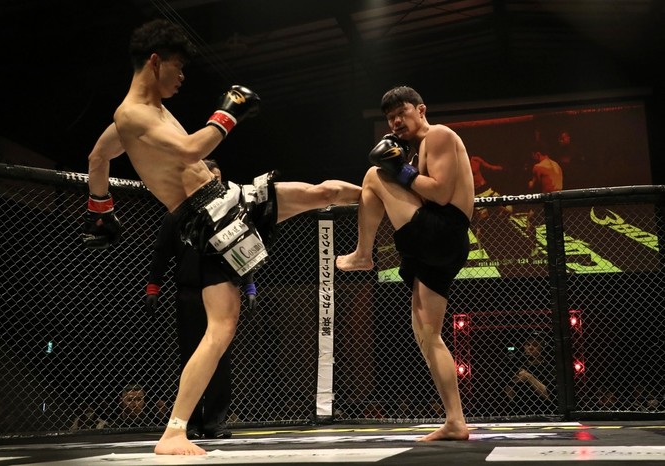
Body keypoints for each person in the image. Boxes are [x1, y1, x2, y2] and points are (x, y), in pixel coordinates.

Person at [81, 19, 361, 455]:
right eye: (178, 67)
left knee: (320, 193)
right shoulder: (132, 114)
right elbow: (192, 150)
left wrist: (101, 210)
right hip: (205, 222)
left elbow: (97, 158)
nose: (182, 76)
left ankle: (390, 197)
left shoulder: (145, 115)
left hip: (227, 199)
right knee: (221, 327)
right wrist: (228, 111)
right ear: (155, 62)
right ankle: (174, 432)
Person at [336, 86, 473, 441]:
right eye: (390, 117)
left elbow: (440, 192)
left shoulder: (439, 135)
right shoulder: (416, 149)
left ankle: (363, 254)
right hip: (438, 244)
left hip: (442, 231)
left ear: (421, 110)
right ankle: (455, 421)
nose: (396, 121)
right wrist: (403, 168)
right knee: (428, 335)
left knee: (373, 176)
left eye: (402, 112)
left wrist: (399, 169)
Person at [145, 159, 246, 440]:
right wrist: (153, 287)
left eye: (219, 179)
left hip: (222, 290)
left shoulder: (229, 214)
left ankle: (214, 422)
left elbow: (242, 249)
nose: (216, 184)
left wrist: (249, 286)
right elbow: (161, 251)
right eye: (211, 179)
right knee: (190, 356)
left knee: (220, 357)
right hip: (189, 293)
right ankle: (188, 422)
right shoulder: (178, 214)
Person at [504, 334, 554, 413]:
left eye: (535, 345)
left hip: (543, 411)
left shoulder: (549, 368)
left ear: (542, 348)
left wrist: (529, 377)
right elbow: (509, 393)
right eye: (528, 344)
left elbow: (550, 395)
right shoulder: (518, 366)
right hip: (520, 411)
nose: (530, 347)